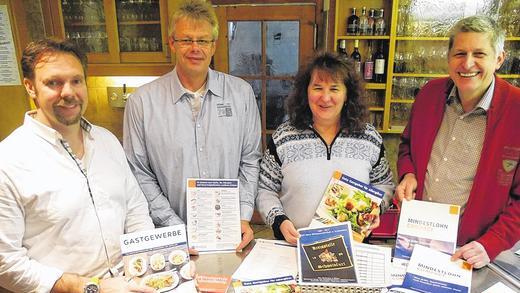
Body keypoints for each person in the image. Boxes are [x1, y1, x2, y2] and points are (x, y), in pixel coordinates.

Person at [0, 39, 156, 292]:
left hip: (128, 283)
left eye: (76, 80)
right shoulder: (8, 160)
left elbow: (135, 210)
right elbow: (5, 264)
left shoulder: (107, 141)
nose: (68, 92)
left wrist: (147, 263)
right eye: (54, 83)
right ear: (30, 87)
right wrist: (90, 287)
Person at [123, 0, 261, 252]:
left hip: (231, 234)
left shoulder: (241, 93)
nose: (195, 48)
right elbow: (138, 172)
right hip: (169, 238)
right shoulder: (141, 102)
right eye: (186, 40)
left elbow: (250, 160)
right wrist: (174, 228)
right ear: (172, 43)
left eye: (203, 40)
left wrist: (242, 214)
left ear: (214, 46)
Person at [395, 15, 520, 269]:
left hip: (471, 253)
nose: (468, 63)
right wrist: (407, 174)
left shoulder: (516, 110)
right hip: (416, 240)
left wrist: (491, 243)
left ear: (499, 59)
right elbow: (407, 145)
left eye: (479, 54)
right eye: (460, 53)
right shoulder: (430, 93)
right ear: (449, 58)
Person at [256, 52, 394, 244]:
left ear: (347, 95)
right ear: (306, 92)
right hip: (295, 245)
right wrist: (279, 220)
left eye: (335, 89)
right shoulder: (284, 137)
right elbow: (265, 189)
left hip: (352, 246)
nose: (325, 97)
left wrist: (375, 209)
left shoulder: (369, 138)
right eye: (318, 87)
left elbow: (385, 185)